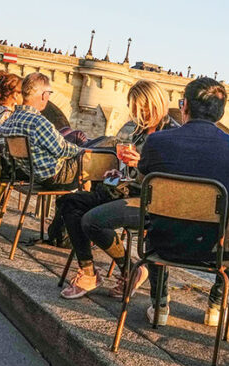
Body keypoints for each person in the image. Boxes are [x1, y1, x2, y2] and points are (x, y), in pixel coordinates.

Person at [136, 77, 229, 326]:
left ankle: (159, 305)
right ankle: (215, 305)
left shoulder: (157, 141)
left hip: (163, 243)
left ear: (185, 107)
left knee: (157, 218)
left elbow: (143, 182)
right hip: (216, 251)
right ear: (220, 113)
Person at [58, 80, 179, 300]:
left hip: (148, 200)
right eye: (134, 109)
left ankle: (127, 270)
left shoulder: (172, 136)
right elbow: (133, 172)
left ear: (155, 104)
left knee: (90, 219)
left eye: (141, 109)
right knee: (69, 203)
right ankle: (91, 271)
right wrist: (120, 173)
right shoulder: (141, 130)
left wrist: (140, 164)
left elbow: (168, 180)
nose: (136, 114)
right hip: (125, 190)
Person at [0, 72, 85, 189]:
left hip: (32, 174)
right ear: (43, 95)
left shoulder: (8, 121)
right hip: (53, 178)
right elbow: (61, 150)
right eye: (49, 93)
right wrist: (83, 151)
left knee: (76, 137)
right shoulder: (38, 122)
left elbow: (2, 150)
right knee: (108, 145)